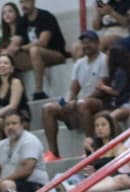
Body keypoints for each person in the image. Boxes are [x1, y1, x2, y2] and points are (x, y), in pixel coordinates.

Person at [41, 30, 108, 158]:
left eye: (89, 42)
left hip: (100, 101)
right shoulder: (79, 63)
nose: (86, 45)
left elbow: (101, 89)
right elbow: (73, 89)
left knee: (82, 104)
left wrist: (76, 103)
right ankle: (53, 153)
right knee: (48, 108)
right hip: (82, 102)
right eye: (83, 42)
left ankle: (91, 147)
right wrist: (67, 102)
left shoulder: (104, 60)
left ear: (97, 43)